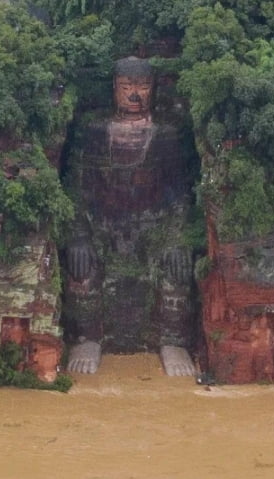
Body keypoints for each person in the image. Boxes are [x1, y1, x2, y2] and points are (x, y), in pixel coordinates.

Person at [63, 56, 196, 377]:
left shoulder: (167, 133)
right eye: (126, 88)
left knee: (176, 268)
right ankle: (87, 337)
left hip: (154, 230)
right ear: (114, 89)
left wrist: (177, 239)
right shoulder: (92, 130)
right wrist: (79, 236)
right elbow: (75, 190)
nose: (135, 95)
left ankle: (171, 340)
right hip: (102, 229)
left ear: (154, 90)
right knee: (81, 266)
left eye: (143, 87)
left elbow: (181, 194)